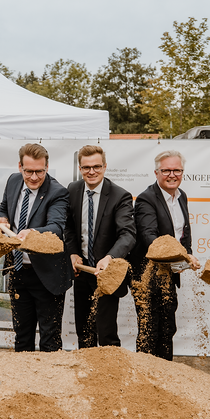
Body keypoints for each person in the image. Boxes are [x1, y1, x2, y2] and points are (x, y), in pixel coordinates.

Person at [0, 143, 72, 352]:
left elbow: (56, 227)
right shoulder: (13, 181)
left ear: (47, 167)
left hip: (47, 275)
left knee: (49, 341)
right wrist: (2, 218)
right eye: (29, 171)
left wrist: (32, 232)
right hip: (18, 271)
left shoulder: (57, 192)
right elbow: (3, 208)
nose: (35, 177)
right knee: (22, 338)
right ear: (20, 167)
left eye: (40, 171)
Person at [64, 145, 136, 348]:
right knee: (84, 332)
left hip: (106, 274)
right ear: (80, 168)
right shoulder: (73, 190)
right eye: (86, 167)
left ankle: (110, 369)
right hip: (82, 272)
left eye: (96, 166)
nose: (92, 171)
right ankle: (86, 369)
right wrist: (73, 253)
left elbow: (128, 234)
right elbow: (69, 228)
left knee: (106, 334)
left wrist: (110, 258)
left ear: (104, 167)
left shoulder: (120, 196)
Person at [131, 151, 200, 359]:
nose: (172, 175)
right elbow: (149, 237)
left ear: (182, 172)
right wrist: (182, 257)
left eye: (177, 170)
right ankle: (146, 374)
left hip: (169, 274)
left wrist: (187, 255)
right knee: (149, 331)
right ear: (156, 173)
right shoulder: (146, 199)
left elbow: (183, 233)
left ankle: (165, 372)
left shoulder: (181, 196)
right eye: (166, 170)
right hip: (147, 276)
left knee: (168, 328)